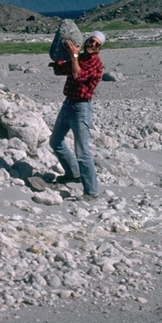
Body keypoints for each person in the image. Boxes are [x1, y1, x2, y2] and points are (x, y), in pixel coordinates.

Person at [48, 30, 105, 198]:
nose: (92, 45)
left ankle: (91, 191)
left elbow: (77, 74)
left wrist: (73, 56)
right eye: (91, 41)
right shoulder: (80, 58)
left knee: (82, 151)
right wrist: (59, 58)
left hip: (81, 109)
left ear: (99, 48)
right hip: (68, 105)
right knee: (55, 141)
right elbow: (62, 70)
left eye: (96, 44)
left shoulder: (95, 63)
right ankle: (73, 173)